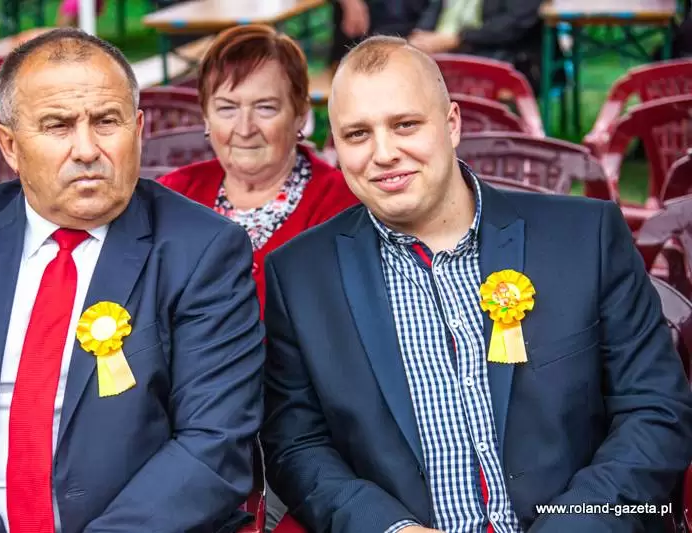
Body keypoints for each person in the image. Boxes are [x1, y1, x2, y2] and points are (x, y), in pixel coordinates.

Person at [261, 35, 692, 533]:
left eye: (405, 125)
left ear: (452, 124)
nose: (384, 153)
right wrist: (388, 528)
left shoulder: (584, 237)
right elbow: (297, 444)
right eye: (357, 134)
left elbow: (656, 410)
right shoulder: (299, 276)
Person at [0, 28, 264, 533]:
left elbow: (213, 444)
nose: (87, 149)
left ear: (137, 129)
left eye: (106, 121)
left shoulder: (202, 250)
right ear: (9, 146)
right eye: (58, 125)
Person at [159, 24, 358, 316]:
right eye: (227, 108)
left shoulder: (340, 205)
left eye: (265, 108)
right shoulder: (172, 194)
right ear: (206, 117)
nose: (245, 129)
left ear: (300, 116)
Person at [407, 0, 543, 89]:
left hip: (492, 53)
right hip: (436, 49)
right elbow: (433, 8)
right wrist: (421, 33)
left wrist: (459, 39)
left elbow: (513, 23)